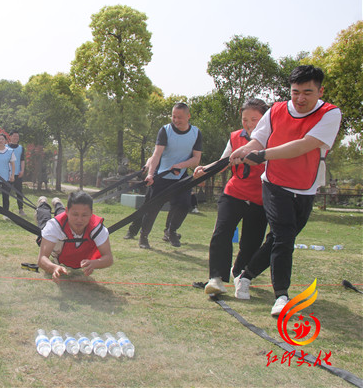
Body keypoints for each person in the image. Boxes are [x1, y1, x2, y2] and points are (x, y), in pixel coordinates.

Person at [229, 65, 341, 316]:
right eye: (295, 92)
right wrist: (246, 150)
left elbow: (304, 145)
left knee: (281, 238)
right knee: (284, 237)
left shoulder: (330, 114)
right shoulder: (276, 111)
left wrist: (262, 154)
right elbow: (259, 138)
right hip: (274, 183)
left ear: (320, 91)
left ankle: (246, 275)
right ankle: (281, 295)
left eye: (308, 93)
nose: (300, 99)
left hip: (306, 186)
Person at [194, 98, 269, 298]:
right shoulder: (236, 136)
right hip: (234, 193)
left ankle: (240, 274)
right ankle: (216, 278)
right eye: (245, 119)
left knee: (251, 242)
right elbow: (224, 161)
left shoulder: (274, 139)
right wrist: (205, 169)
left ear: (266, 119)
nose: (249, 123)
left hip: (261, 199)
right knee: (222, 232)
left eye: (255, 119)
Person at [124, 103, 202, 249]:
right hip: (161, 177)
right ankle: (142, 236)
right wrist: (151, 174)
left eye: (180, 117)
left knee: (184, 205)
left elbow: (196, 159)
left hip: (182, 177)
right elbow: (157, 154)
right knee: (151, 208)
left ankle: (171, 231)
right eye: (173, 116)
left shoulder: (196, 133)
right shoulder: (165, 131)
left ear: (188, 116)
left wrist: (181, 165)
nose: (176, 120)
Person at [36, 191, 113, 281]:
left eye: (84, 215)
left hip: (66, 219)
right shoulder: (54, 226)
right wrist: (54, 267)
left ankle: (57, 203)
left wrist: (95, 263)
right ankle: (43, 202)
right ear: (67, 211)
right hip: (57, 226)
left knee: (64, 216)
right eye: (75, 214)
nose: (79, 220)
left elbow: (109, 258)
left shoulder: (97, 228)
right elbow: (42, 259)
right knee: (44, 219)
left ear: (91, 213)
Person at [6, 131, 26, 216]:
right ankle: (5, 210)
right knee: (6, 192)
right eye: (14, 136)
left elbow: (22, 160)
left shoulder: (21, 148)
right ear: (10, 137)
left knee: (19, 192)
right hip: (7, 173)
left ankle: (21, 209)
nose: (16, 138)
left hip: (18, 173)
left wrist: (22, 170)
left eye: (17, 136)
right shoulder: (5, 147)